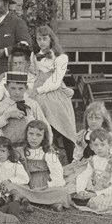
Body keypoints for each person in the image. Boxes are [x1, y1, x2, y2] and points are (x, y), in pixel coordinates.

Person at [1, 120, 71, 212]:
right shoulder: (21, 151)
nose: (34, 138)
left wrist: (50, 185)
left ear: (44, 138)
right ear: (26, 134)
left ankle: (49, 202)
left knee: (63, 192)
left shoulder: (48, 153)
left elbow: (57, 173)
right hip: (26, 183)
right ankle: (41, 201)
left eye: (38, 135)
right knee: (10, 185)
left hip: (44, 186)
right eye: (31, 134)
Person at [30, 25, 76, 164]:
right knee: (40, 124)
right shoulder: (34, 55)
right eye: (39, 39)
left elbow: (55, 81)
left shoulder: (61, 57)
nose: (42, 42)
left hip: (54, 92)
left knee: (65, 125)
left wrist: (39, 90)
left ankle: (73, 160)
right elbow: (33, 74)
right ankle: (43, 159)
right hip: (37, 92)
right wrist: (32, 90)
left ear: (51, 39)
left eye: (45, 38)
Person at [64, 102, 112, 193]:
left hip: (100, 163)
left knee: (91, 182)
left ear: (103, 120)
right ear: (86, 119)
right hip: (84, 163)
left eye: (97, 118)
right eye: (90, 118)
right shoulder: (83, 134)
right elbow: (79, 150)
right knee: (71, 180)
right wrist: (75, 161)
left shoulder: (107, 135)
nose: (93, 121)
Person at [74, 129, 112, 215]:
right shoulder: (93, 160)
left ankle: (92, 201)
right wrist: (80, 190)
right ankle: (88, 199)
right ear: (91, 146)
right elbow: (84, 176)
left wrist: (96, 194)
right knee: (78, 193)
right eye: (96, 145)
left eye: (102, 144)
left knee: (100, 202)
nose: (99, 148)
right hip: (96, 189)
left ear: (109, 145)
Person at [0, 72, 51, 145]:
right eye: (13, 88)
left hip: (30, 146)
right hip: (10, 147)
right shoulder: (0, 106)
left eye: (20, 88)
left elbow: (45, 125)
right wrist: (7, 116)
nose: (17, 92)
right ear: (6, 87)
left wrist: (48, 144)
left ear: (26, 88)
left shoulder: (32, 104)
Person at [0, 43, 35, 112]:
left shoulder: (34, 79)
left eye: (20, 63)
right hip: (7, 110)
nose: (18, 66)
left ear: (28, 64)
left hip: (28, 110)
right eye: (15, 63)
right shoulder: (6, 78)